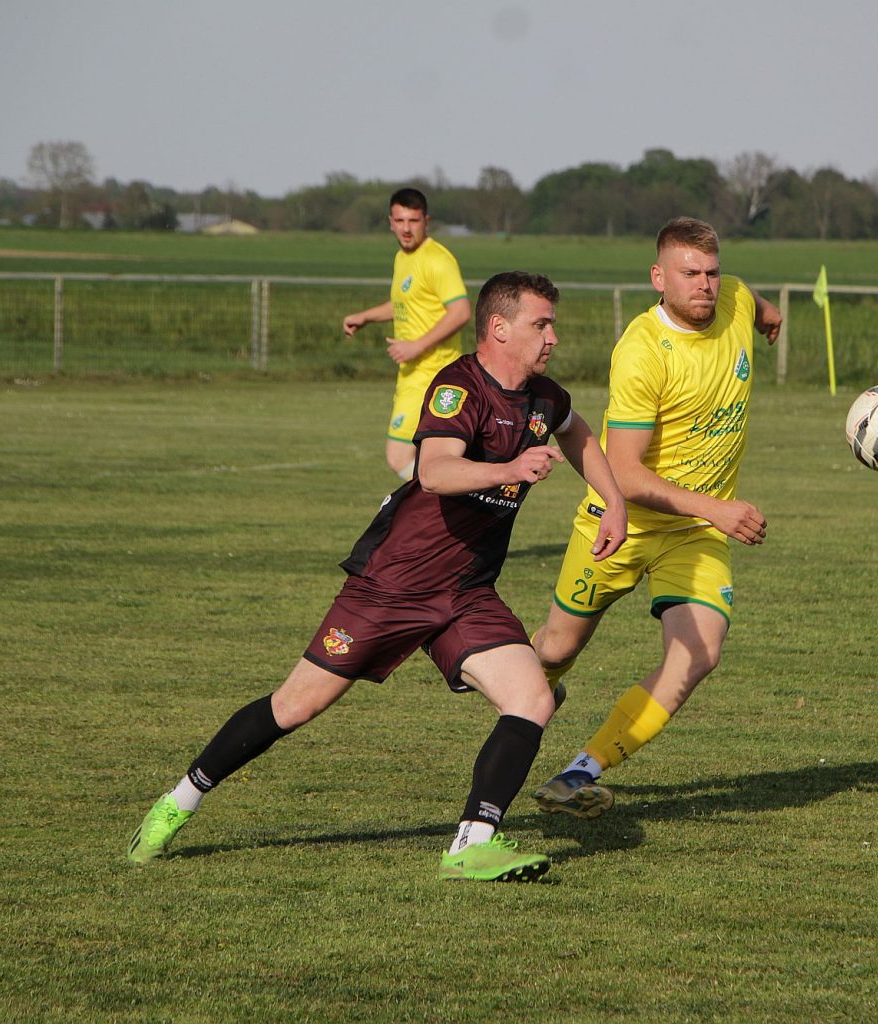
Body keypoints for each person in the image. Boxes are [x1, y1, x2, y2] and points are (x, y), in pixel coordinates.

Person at [127, 271, 627, 882]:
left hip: (466, 592)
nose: (553, 336)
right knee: (294, 706)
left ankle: (471, 845)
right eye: (540, 324)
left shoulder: (545, 398)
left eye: (552, 324)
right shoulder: (459, 388)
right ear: (499, 327)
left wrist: (614, 502)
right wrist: (510, 468)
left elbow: (578, 434)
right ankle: (179, 801)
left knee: (533, 698)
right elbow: (434, 472)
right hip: (392, 584)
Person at [528, 217, 782, 819]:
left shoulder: (735, 298)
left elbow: (752, 300)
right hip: (619, 522)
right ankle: (523, 689)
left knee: (699, 654)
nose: (705, 285)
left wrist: (768, 316)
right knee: (553, 653)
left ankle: (581, 771)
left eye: (712, 272)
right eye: (689, 273)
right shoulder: (642, 350)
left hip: (691, 535)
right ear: (658, 278)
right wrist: (718, 508)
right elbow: (624, 473)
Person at [342, 187, 471, 479]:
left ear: (427, 221)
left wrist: (417, 346)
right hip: (412, 374)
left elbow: (461, 311)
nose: (406, 228)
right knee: (427, 457)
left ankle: (461, 495)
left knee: (399, 456)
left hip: (433, 374)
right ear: (390, 222)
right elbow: (405, 303)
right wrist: (366, 317)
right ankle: (454, 497)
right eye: (400, 221)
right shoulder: (403, 258)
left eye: (413, 221)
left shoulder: (437, 260)